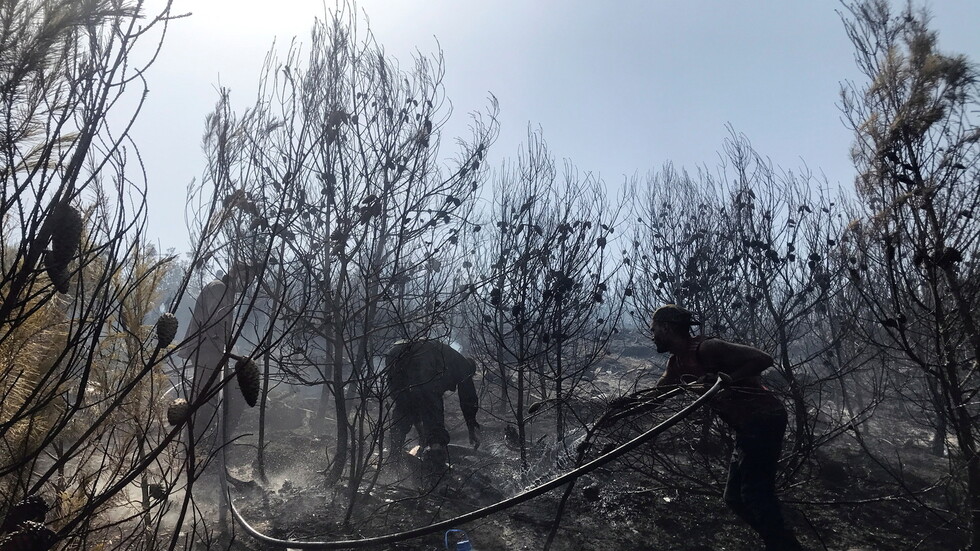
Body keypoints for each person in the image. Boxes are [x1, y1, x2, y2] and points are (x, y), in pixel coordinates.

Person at [613, 304, 803, 551]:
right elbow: (656, 397)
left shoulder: (708, 348)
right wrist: (622, 408)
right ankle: (780, 542)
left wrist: (729, 379)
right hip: (747, 427)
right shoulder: (677, 364)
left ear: (667, 328)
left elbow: (763, 359)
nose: (653, 336)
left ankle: (783, 546)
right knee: (734, 498)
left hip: (764, 419)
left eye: (654, 329)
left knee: (754, 494)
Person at [385, 339, 481, 475]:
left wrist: (422, 433)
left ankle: (393, 460)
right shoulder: (463, 366)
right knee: (433, 411)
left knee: (404, 405)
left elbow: (414, 401)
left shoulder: (446, 357)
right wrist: (471, 425)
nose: (452, 388)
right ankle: (436, 467)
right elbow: (468, 397)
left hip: (394, 353)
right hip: (422, 356)